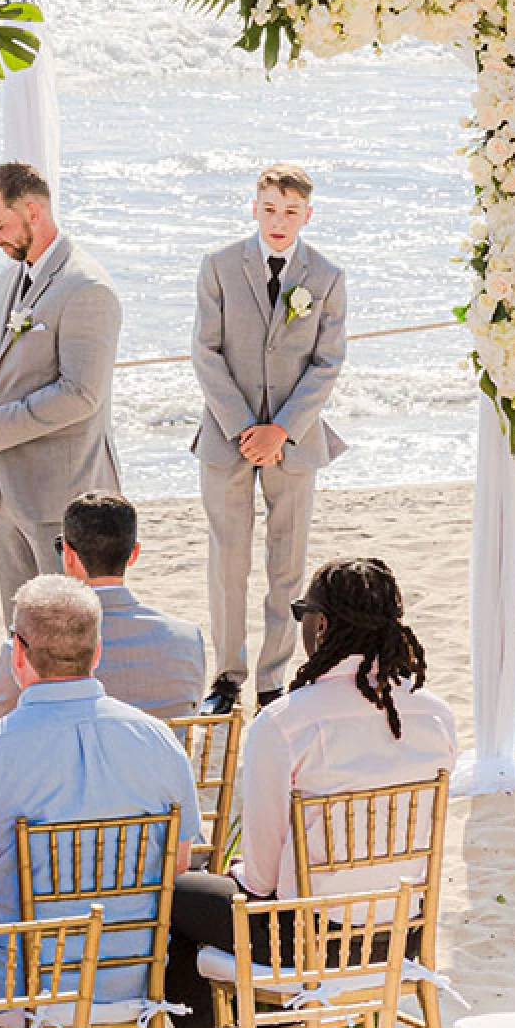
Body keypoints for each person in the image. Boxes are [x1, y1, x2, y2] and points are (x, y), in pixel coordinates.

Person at [0, 575, 200, 1028]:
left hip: (14, 986)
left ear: (18, 654)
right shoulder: (158, 740)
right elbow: (174, 868)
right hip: (130, 978)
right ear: (96, 653)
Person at [165, 557, 456, 1028]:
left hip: (305, 939)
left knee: (175, 897)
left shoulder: (285, 722)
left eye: (303, 613)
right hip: (399, 937)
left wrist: (231, 874)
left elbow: (260, 880)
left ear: (320, 625)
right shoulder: (435, 716)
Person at [191, 165, 349, 714]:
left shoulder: (326, 276)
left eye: (290, 211)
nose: (279, 221)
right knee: (227, 561)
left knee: (287, 563)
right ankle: (227, 676)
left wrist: (282, 428)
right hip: (226, 437)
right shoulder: (217, 267)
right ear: (254, 207)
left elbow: (327, 362)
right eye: (270, 208)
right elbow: (205, 353)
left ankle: (272, 678)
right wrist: (244, 428)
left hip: (295, 439)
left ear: (308, 214)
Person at [0, 163, 123, 622]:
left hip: (64, 495)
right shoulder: (6, 281)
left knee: (67, 630)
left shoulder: (87, 287)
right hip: (5, 494)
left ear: (34, 211)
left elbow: (82, 394)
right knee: (19, 629)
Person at [0, 491, 205, 723]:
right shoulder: (187, 638)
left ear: (67, 554)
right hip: (162, 758)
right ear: (134, 554)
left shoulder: (26, 645)